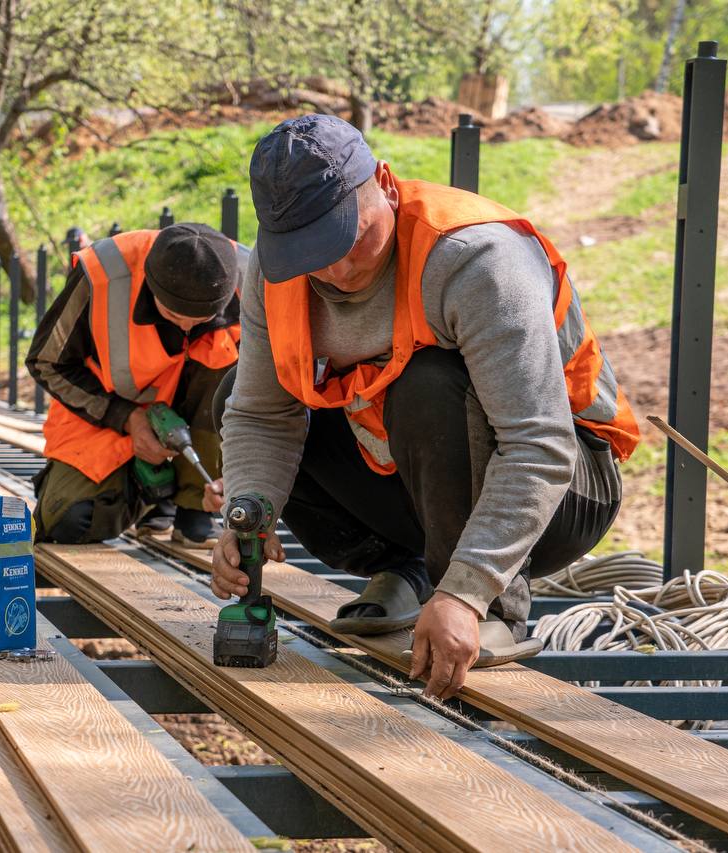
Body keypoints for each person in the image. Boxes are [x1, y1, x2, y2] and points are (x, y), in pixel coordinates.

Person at [211, 114, 639, 700]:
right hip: (417, 472)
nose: (336, 269)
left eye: (348, 238)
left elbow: (538, 445)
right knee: (234, 390)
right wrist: (248, 513)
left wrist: (467, 590)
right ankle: (409, 570)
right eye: (311, 253)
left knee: (426, 383)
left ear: (384, 184)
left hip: (566, 488)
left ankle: (496, 603)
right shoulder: (275, 269)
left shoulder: (474, 258)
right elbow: (262, 413)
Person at [26, 223, 247, 546]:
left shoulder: (255, 279)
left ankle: (192, 507)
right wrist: (127, 418)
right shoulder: (104, 274)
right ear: (150, 286)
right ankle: (156, 496)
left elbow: (271, 390)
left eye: (201, 321)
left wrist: (240, 472)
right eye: (172, 314)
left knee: (230, 367)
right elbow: (46, 362)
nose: (186, 326)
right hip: (112, 413)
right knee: (68, 520)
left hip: (202, 426)